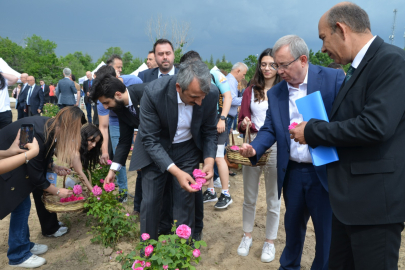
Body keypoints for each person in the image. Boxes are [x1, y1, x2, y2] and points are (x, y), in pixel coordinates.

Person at [289, 3, 405, 269]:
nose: (322, 49)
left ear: (341, 29)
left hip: (374, 207)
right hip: (350, 203)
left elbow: (375, 126)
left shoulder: (391, 61)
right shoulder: (360, 66)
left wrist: (312, 130)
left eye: (323, 38)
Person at [240, 35, 345, 270]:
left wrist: (315, 133)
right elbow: (269, 127)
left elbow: (345, 122)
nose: (279, 70)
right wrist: (254, 148)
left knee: (326, 235)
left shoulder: (332, 79)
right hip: (293, 172)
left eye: (283, 65)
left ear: (303, 60)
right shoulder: (277, 92)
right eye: (276, 65)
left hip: (324, 171)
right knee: (293, 229)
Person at [129, 60, 218, 241]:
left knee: (185, 199)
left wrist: (209, 161)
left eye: (203, 96)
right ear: (178, 87)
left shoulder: (210, 93)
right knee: (152, 201)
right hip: (156, 148)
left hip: (187, 149)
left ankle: (182, 249)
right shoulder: (154, 93)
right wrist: (176, 172)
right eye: (194, 97)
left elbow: (209, 131)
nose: (200, 102)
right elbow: (150, 140)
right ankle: (149, 251)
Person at [0, 106, 87, 268]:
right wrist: (57, 191)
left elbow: (39, 158)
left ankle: (24, 244)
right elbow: (33, 172)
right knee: (21, 205)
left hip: (15, 165)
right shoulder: (32, 130)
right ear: (69, 127)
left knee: (22, 205)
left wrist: (53, 167)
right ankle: (18, 254)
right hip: (6, 166)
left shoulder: (48, 125)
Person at [236, 48, 281, 263]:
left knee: (274, 197)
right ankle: (247, 236)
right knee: (249, 195)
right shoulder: (251, 89)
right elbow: (242, 117)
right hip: (252, 145)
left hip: (277, 148)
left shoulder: (284, 89)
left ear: (278, 66)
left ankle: (270, 241)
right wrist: (244, 121)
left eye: (272, 64)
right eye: (263, 64)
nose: (267, 68)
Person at [70, 124, 103, 191]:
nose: (94, 145)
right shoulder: (74, 150)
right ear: (84, 137)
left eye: (96, 143)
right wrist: (93, 191)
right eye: (92, 141)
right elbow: (80, 173)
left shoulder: (80, 148)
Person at [226, 62, 248, 133]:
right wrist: (246, 99)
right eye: (243, 74)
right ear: (238, 71)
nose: (243, 77)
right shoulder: (231, 81)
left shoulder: (230, 80)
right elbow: (231, 100)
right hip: (228, 116)